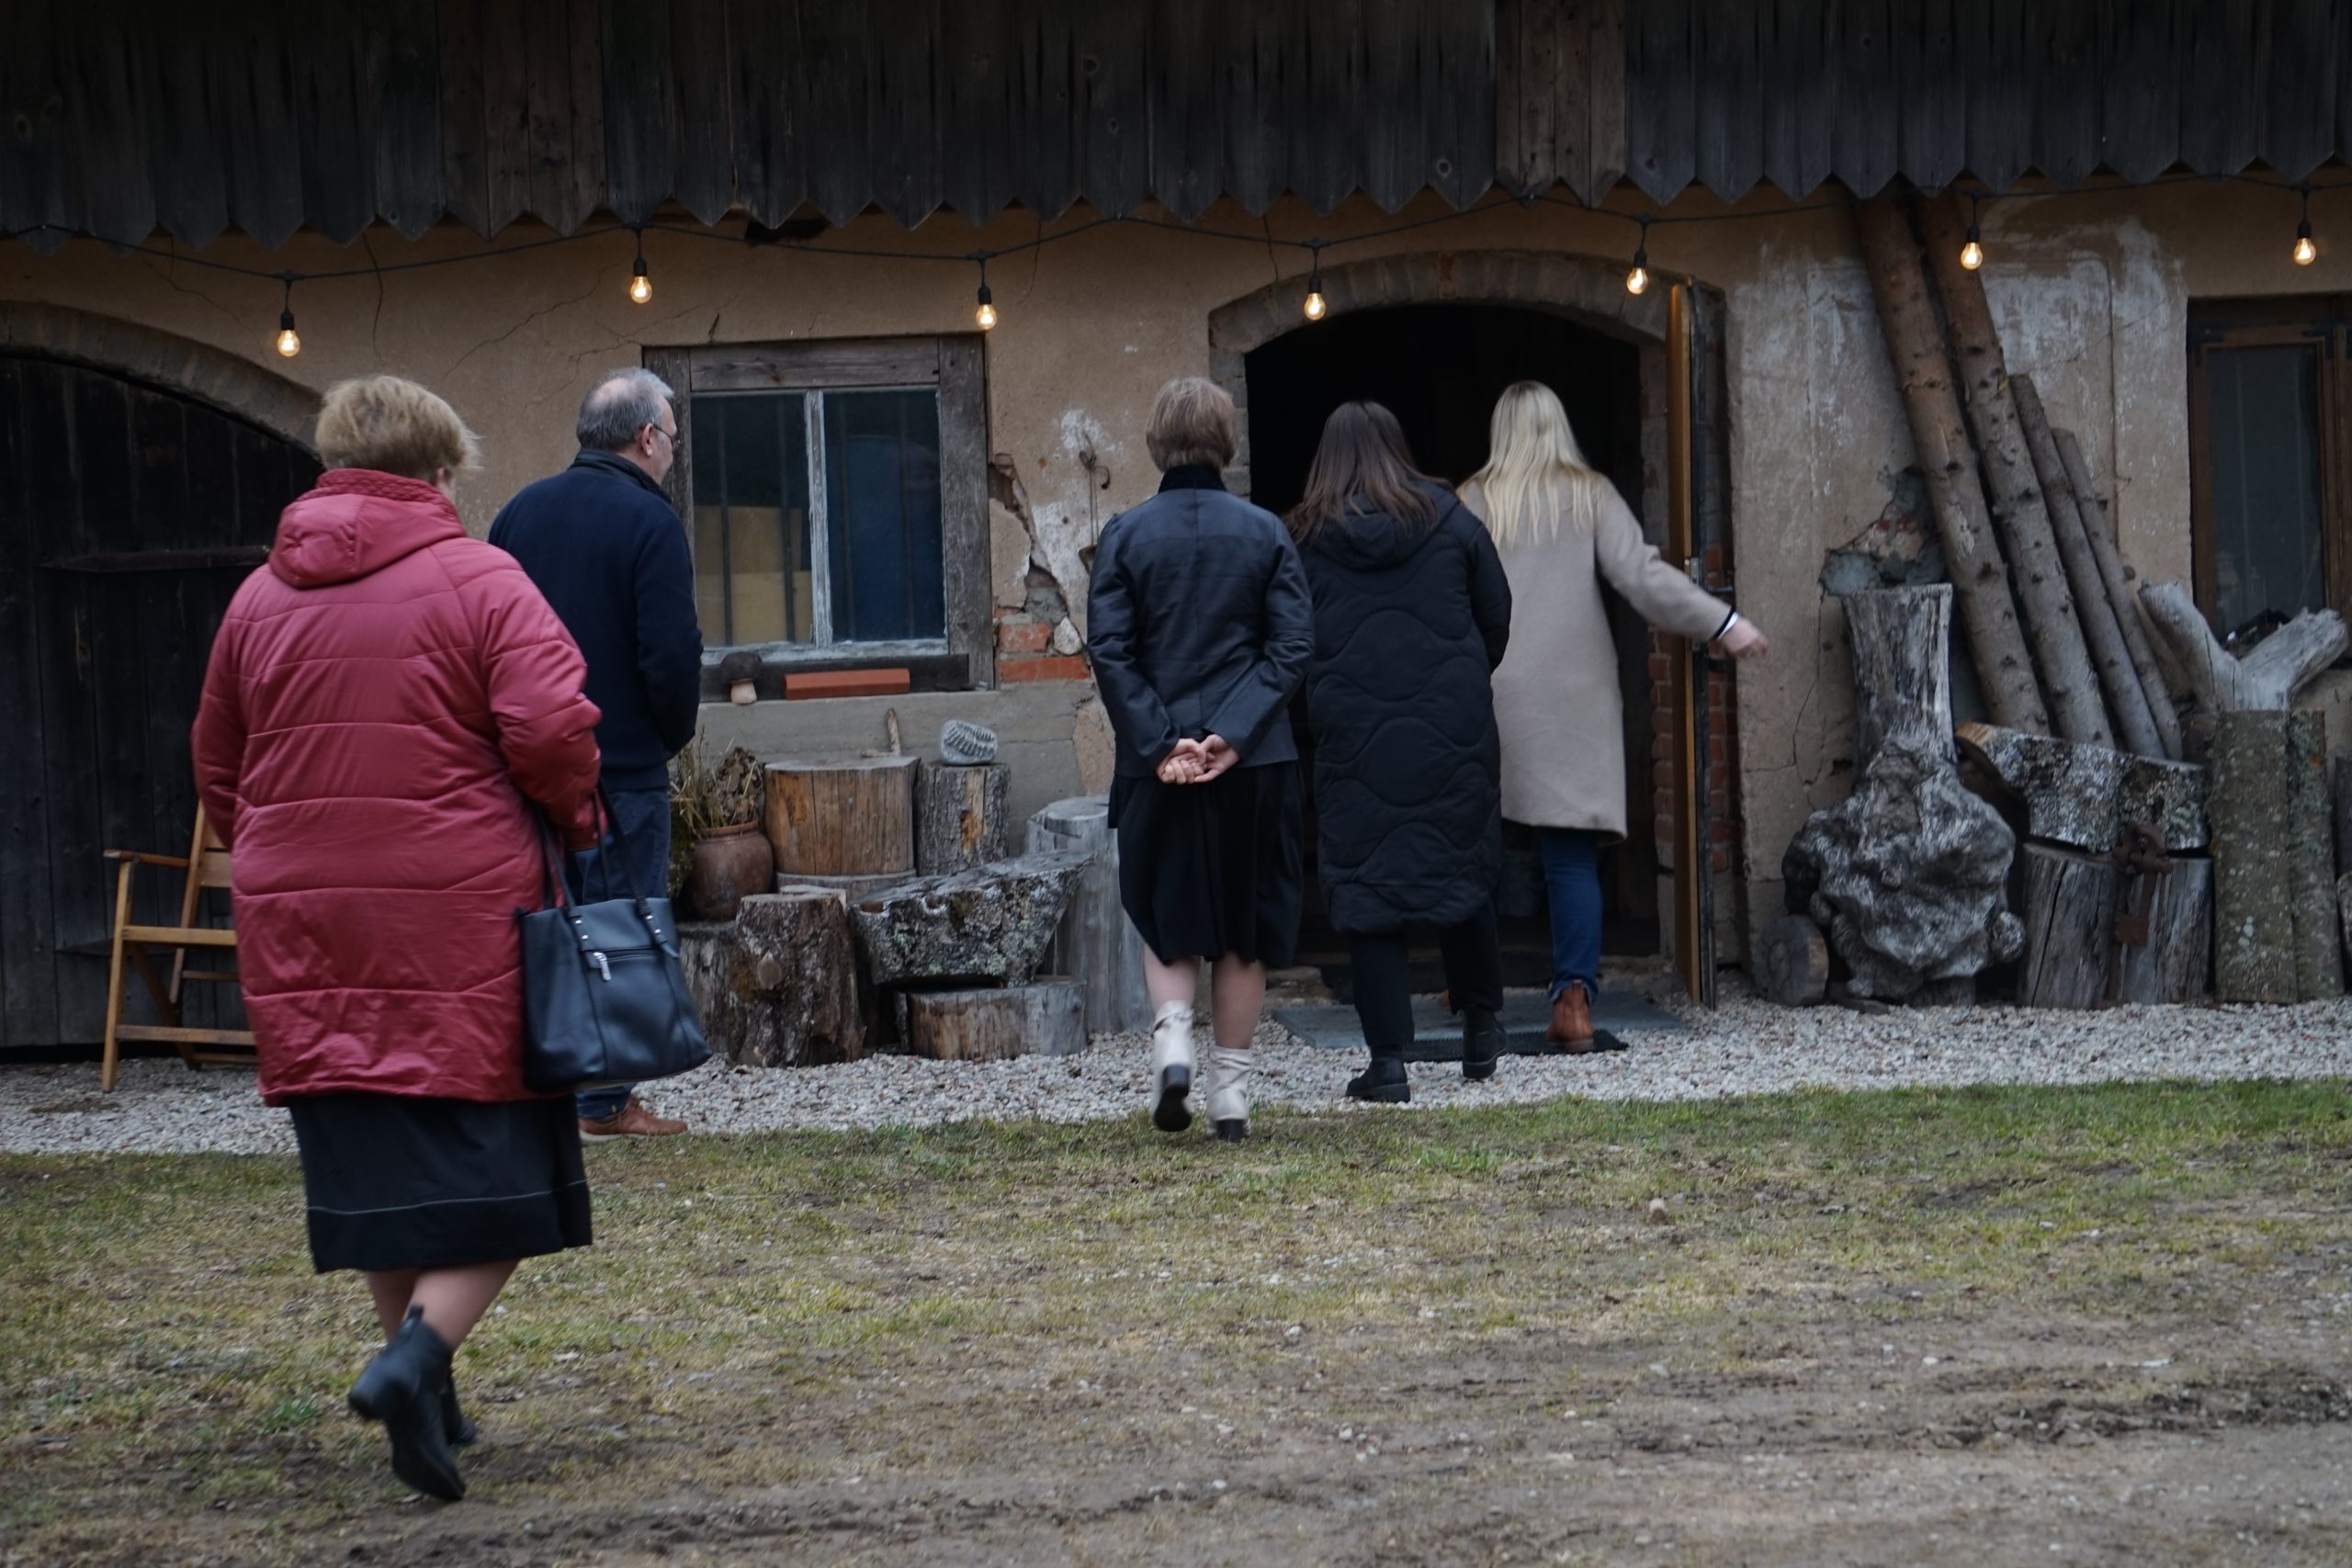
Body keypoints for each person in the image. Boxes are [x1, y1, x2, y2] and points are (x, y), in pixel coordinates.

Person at [191, 377, 604, 1502]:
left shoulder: (257, 599)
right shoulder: (481, 579)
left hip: (305, 924)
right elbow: (552, 730)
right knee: (507, 1174)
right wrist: (577, 820)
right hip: (455, 915)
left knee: (377, 1169)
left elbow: (219, 762)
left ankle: (427, 1394)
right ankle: (415, 1359)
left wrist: (278, 855)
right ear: (441, 471)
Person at [1460, 381, 1769, 1049]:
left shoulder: (1473, 500)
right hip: (1572, 697)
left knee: (1472, 852)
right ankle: (1574, 1001)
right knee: (1569, 858)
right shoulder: (1589, 494)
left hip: (1487, 687)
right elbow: (1643, 578)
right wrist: (1723, 621)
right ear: (1559, 427)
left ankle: (1473, 993)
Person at [1087, 377, 1315, 1141]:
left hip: (1159, 768)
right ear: (1227, 440)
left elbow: (1111, 651)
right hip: (1253, 763)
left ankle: (1174, 1041)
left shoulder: (1124, 535)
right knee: (1245, 929)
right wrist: (1233, 733)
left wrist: (1162, 743)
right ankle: (1231, 1098)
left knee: (1168, 916)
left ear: (1156, 443)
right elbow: (1292, 647)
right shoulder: (1266, 532)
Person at [490, 368, 704, 1139]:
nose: (672, 454)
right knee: (619, 926)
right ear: (646, 438)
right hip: (621, 765)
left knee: (541, 925)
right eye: (672, 439)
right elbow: (670, 655)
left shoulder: (517, 514)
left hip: (524, 766)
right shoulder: (651, 522)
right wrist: (666, 737)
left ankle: (544, 1086)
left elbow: (491, 641)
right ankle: (605, 1101)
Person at [1289, 402, 1513, 1104]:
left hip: (1354, 732)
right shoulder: (1453, 520)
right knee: (1462, 869)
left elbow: (1291, 640)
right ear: (1397, 448)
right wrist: (1461, 682)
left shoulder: (1307, 538)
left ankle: (1388, 1063)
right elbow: (1496, 617)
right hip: (1452, 725)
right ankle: (1481, 1028)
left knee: (1368, 890)